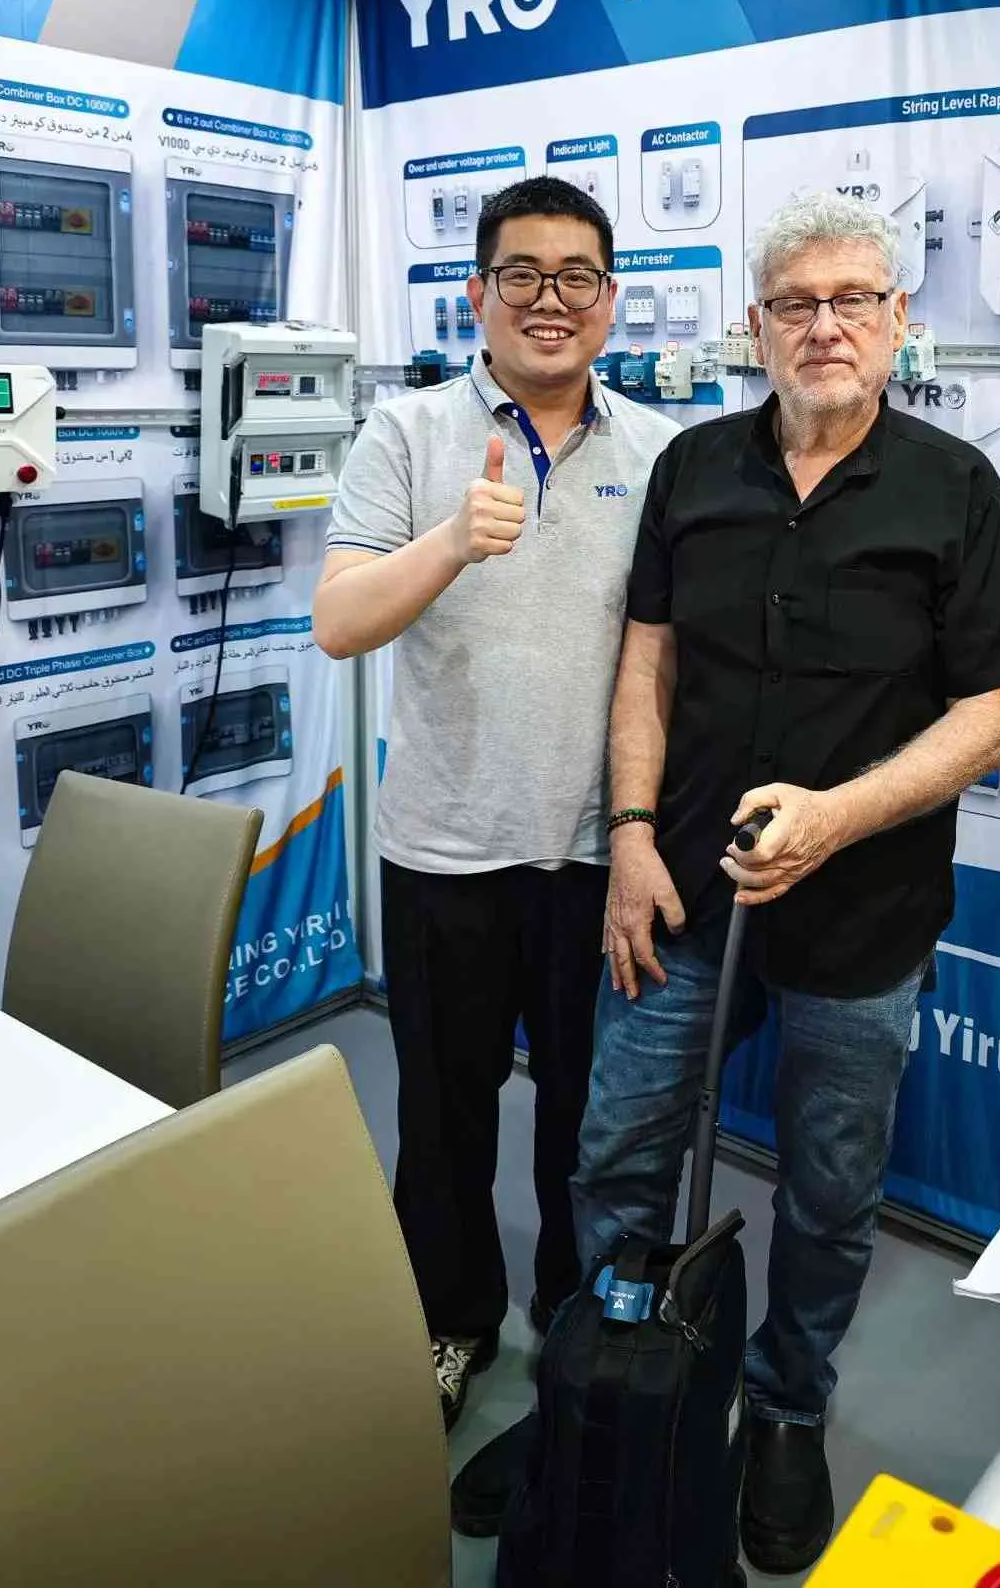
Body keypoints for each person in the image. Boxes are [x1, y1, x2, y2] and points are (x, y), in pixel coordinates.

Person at [578, 189, 1000, 1573]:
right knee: (618, 1149)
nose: (825, 325)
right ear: (757, 325)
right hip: (680, 892)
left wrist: (836, 820)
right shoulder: (693, 469)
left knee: (833, 1190)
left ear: (899, 320)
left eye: (854, 299)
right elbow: (648, 660)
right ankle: (609, 1381)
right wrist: (627, 837)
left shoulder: (954, 489)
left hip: (865, 916)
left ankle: (787, 1404)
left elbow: (995, 715)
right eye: (797, 302)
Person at [313, 175, 677, 1432]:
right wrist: (452, 542)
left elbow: (669, 655)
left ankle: (575, 1323)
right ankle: (451, 1319)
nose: (549, 300)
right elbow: (337, 621)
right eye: (521, 274)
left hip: (595, 857)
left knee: (590, 1124)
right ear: (477, 292)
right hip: (445, 849)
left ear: (610, 300)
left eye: (577, 276)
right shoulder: (406, 432)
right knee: (444, 1116)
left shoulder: (659, 451)